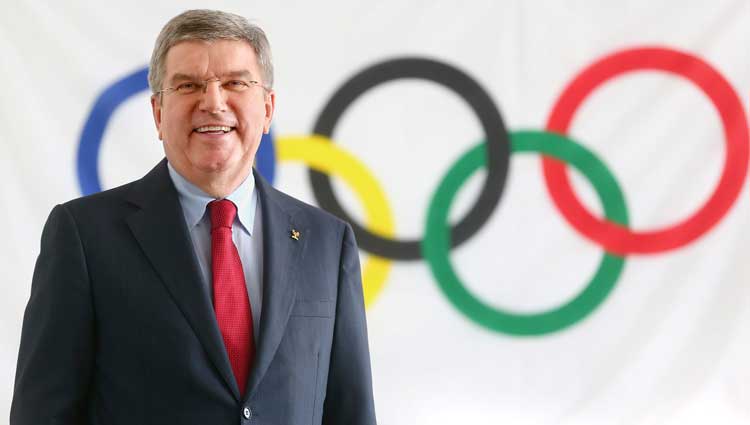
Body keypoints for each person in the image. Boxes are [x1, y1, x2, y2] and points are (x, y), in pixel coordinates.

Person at [11, 9, 376, 425]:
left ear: (268, 108)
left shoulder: (327, 241)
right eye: (189, 85)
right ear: (158, 113)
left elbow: (352, 411)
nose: (213, 103)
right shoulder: (84, 236)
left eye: (235, 83)